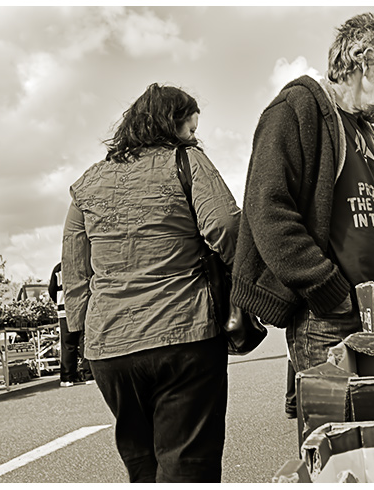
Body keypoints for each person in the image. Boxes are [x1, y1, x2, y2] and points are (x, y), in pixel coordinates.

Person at [231, 12, 374, 376]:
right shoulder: (297, 109)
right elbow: (267, 210)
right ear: (362, 62)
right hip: (327, 322)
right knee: (335, 427)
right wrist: (326, 288)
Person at [62, 83, 240, 483]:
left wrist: (80, 334)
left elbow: (75, 269)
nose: (195, 137)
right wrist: (239, 280)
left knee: (141, 462)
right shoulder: (187, 161)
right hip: (184, 333)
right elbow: (226, 228)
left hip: (110, 348)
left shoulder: (88, 182)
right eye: (190, 129)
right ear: (171, 125)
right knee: (187, 461)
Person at [47, 262, 93, 386]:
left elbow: (51, 290)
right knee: (85, 341)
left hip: (64, 311)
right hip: (83, 309)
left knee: (68, 344)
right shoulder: (85, 264)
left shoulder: (58, 268)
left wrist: (59, 301)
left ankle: (67, 378)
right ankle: (89, 375)